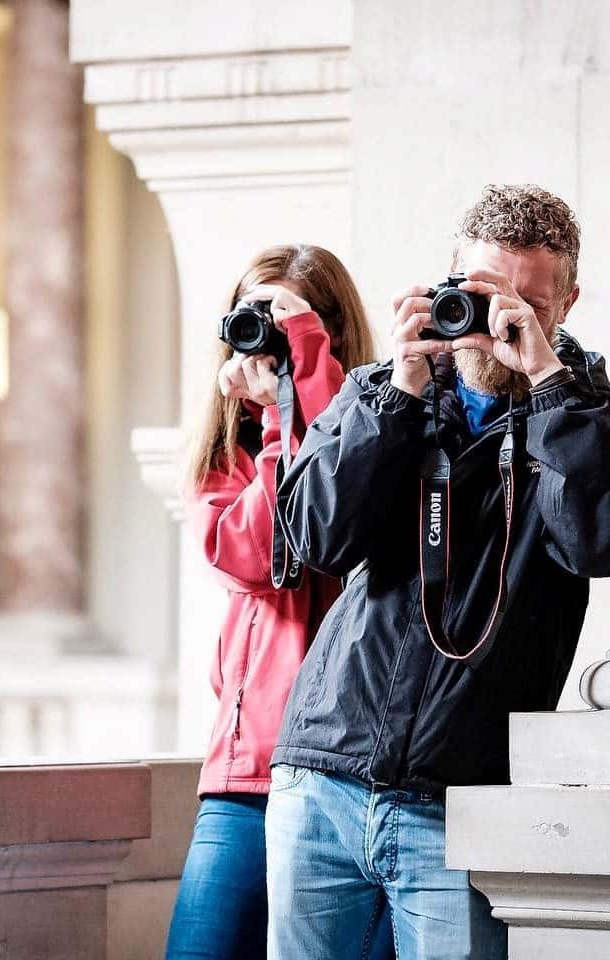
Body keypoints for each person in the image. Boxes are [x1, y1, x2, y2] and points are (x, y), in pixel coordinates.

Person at [265, 185, 610, 960]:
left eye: (528, 303)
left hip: (459, 807)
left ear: (568, 303)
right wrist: (398, 394)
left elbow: (595, 540)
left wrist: (551, 386)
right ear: (449, 281)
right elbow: (315, 540)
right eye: (486, 293)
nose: (498, 323)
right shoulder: (381, 394)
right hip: (323, 777)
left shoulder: (585, 420)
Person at [166, 244, 389, 959]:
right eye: (252, 315)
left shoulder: (383, 424)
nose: (267, 334)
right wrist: (273, 422)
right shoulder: (222, 454)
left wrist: (308, 381)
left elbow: (339, 514)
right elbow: (263, 557)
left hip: (349, 771)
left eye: (284, 318)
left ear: (330, 331)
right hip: (247, 773)